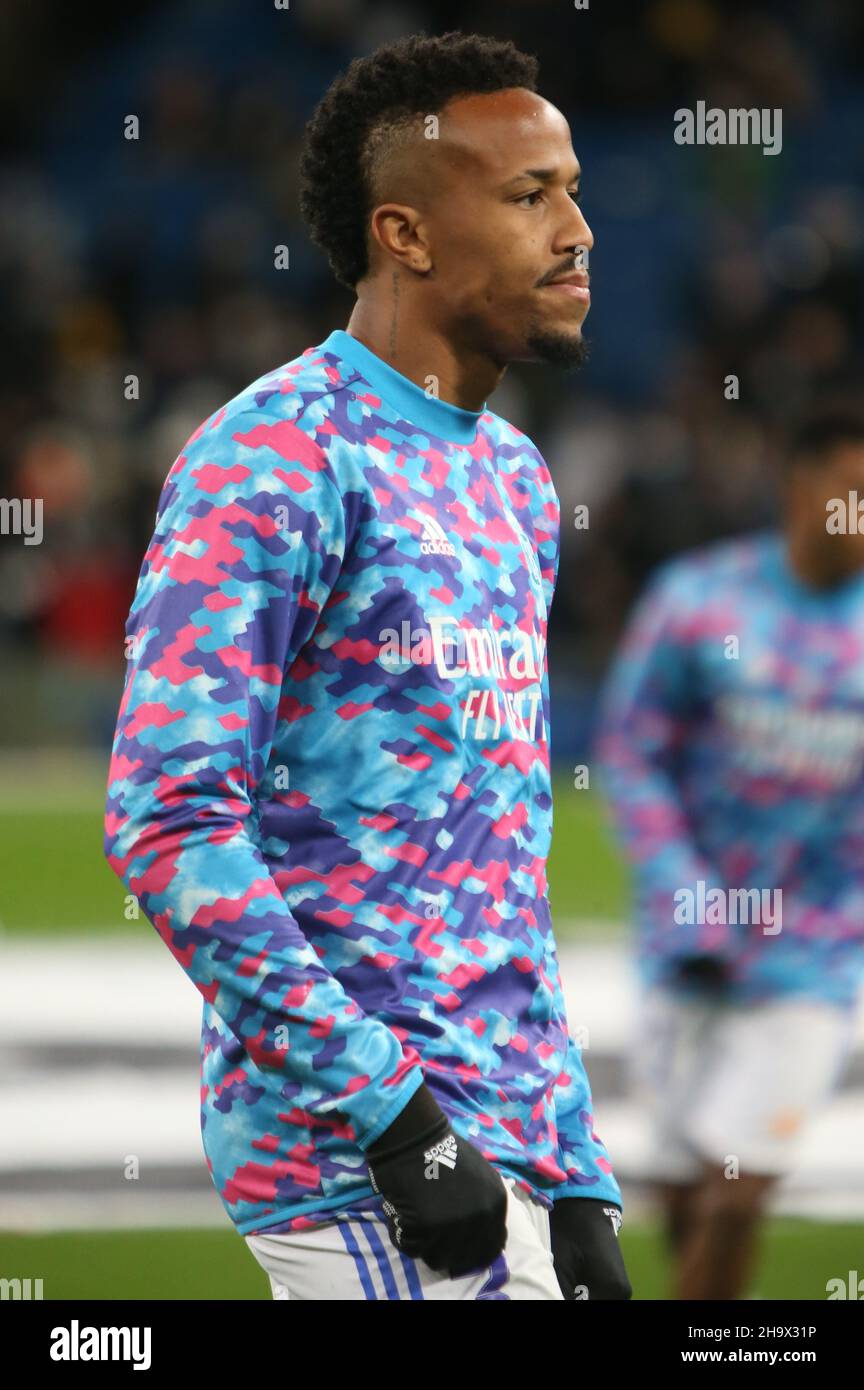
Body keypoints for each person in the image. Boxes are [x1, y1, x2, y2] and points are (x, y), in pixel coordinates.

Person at [104, 30, 630, 1301]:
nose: (578, 231)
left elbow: (498, 849)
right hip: (364, 1170)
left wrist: (572, 1169)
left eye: (569, 187)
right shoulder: (273, 459)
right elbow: (167, 820)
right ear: (403, 233)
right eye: (527, 195)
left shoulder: (510, 475)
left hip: (503, 1149)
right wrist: (395, 1118)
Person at [595, 405, 864, 1300]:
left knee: (737, 1195)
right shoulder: (701, 601)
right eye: (854, 496)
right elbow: (631, 752)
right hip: (692, 950)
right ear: (801, 485)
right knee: (683, 1193)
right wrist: (686, 893)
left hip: (814, 952)